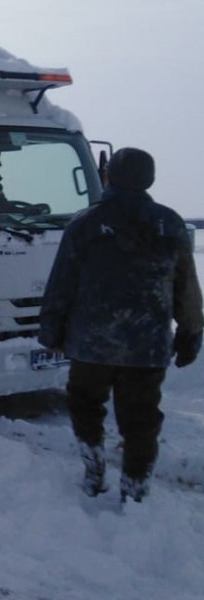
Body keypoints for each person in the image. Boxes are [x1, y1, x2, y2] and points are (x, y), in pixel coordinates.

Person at [39, 147, 202, 503]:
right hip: (148, 345)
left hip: (91, 344)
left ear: (108, 176)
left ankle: (94, 464)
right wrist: (190, 334)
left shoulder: (85, 224)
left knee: (85, 403)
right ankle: (135, 486)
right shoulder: (170, 223)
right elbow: (186, 286)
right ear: (150, 179)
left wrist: (51, 331)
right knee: (141, 418)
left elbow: (61, 284)